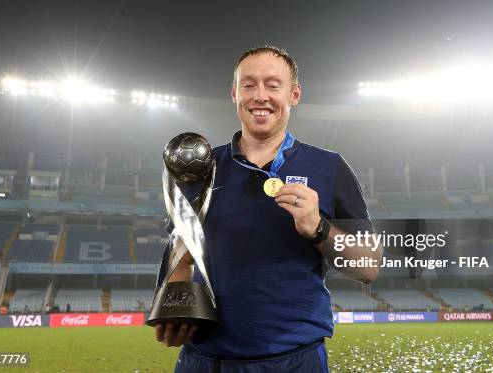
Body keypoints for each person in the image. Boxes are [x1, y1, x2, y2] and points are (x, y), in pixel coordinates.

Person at [153, 45, 382, 372]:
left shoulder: (330, 167)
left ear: (294, 94)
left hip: (295, 359)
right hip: (205, 358)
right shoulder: (202, 166)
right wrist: (175, 294)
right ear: (234, 94)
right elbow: (180, 244)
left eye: (273, 85)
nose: (260, 95)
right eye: (249, 85)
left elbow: (368, 267)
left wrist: (319, 228)